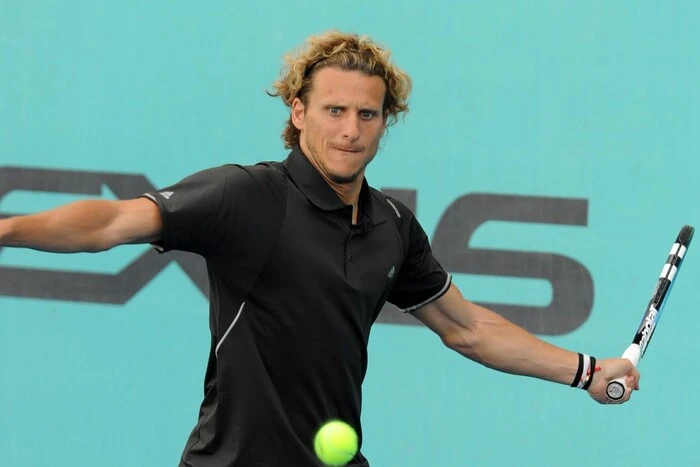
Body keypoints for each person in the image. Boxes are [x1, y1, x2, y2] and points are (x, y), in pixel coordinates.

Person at [0, 30, 639, 467]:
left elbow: (468, 328)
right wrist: (6, 231)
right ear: (298, 111)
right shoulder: (247, 197)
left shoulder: (393, 224)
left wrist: (583, 370)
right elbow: (109, 221)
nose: (350, 130)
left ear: (387, 121)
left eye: (368, 115)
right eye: (334, 110)